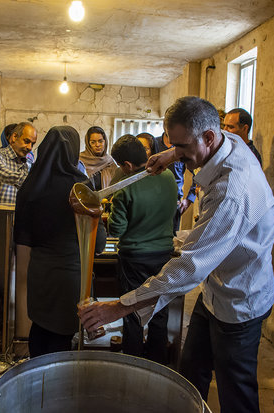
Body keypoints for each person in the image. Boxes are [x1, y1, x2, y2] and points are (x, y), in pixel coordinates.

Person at [79, 96, 274, 413]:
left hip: (241, 299)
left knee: (235, 390)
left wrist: (119, 307)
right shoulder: (222, 140)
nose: (179, 155)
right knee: (191, 372)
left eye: (183, 146)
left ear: (208, 137)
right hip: (216, 290)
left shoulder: (233, 190)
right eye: (174, 144)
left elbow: (189, 268)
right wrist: (173, 153)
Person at [14, 125, 106, 358]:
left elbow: (22, 237)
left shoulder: (30, 187)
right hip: (70, 278)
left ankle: (36, 383)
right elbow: (97, 244)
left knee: (40, 330)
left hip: (39, 276)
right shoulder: (81, 187)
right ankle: (54, 388)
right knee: (61, 341)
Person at [108, 134, 177, 364]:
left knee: (132, 311)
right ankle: (158, 363)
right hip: (164, 254)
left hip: (135, 258)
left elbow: (117, 229)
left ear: (126, 165)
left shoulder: (126, 188)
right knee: (159, 309)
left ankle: (133, 364)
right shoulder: (167, 176)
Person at [0, 122, 37, 204]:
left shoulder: (28, 162)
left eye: (32, 144)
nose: (30, 148)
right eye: (26, 141)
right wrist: (35, 181)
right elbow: (4, 174)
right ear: (14, 137)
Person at [153, 131, 196, 233]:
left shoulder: (183, 147)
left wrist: (189, 199)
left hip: (174, 204)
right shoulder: (154, 143)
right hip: (152, 203)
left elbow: (197, 173)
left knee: (171, 240)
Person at [79, 126, 117, 190]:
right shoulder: (80, 161)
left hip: (106, 199)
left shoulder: (110, 162)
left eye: (100, 141)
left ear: (105, 142)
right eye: (93, 142)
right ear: (88, 143)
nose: (97, 145)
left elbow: (116, 185)